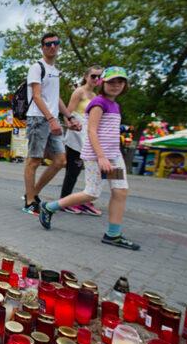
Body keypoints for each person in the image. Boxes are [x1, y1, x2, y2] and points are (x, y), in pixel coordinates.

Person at [38, 66, 140, 250]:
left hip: (113, 157)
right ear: (103, 83)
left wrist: (110, 156)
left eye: (120, 82)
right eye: (111, 82)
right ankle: (49, 207)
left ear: (125, 85)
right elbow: (91, 131)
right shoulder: (99, 103)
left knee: (120, 191)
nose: (116, 85)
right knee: (92, 192)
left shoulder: (115, 105)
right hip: (96, 157)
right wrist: (101, 157)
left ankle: (113, 234)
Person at [22, 32, 82, 215]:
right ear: (42, 47)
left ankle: (32, 193)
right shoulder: (37, 67)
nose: (52, 47)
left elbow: (55, 98)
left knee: (60, 161)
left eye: (55, 43)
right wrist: (51, 118)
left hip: (52, 119)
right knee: (34, 160)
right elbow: (37, 96)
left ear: (59, 46)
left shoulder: (55, 71)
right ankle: (30, 202)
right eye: (48, 44)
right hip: (38, 119)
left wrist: (69, 117)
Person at [59, 66, 103, 216]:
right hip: (77, 135)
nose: (96, 79)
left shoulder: (95, 95)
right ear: (86, 76)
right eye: (93, 76)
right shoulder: (79, 92)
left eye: (99, 77)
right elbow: (67, 112)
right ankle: (64, 201)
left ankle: (85, 200)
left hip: (88, 135)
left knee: (93, 170)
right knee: (73, 170)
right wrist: (70, 124)